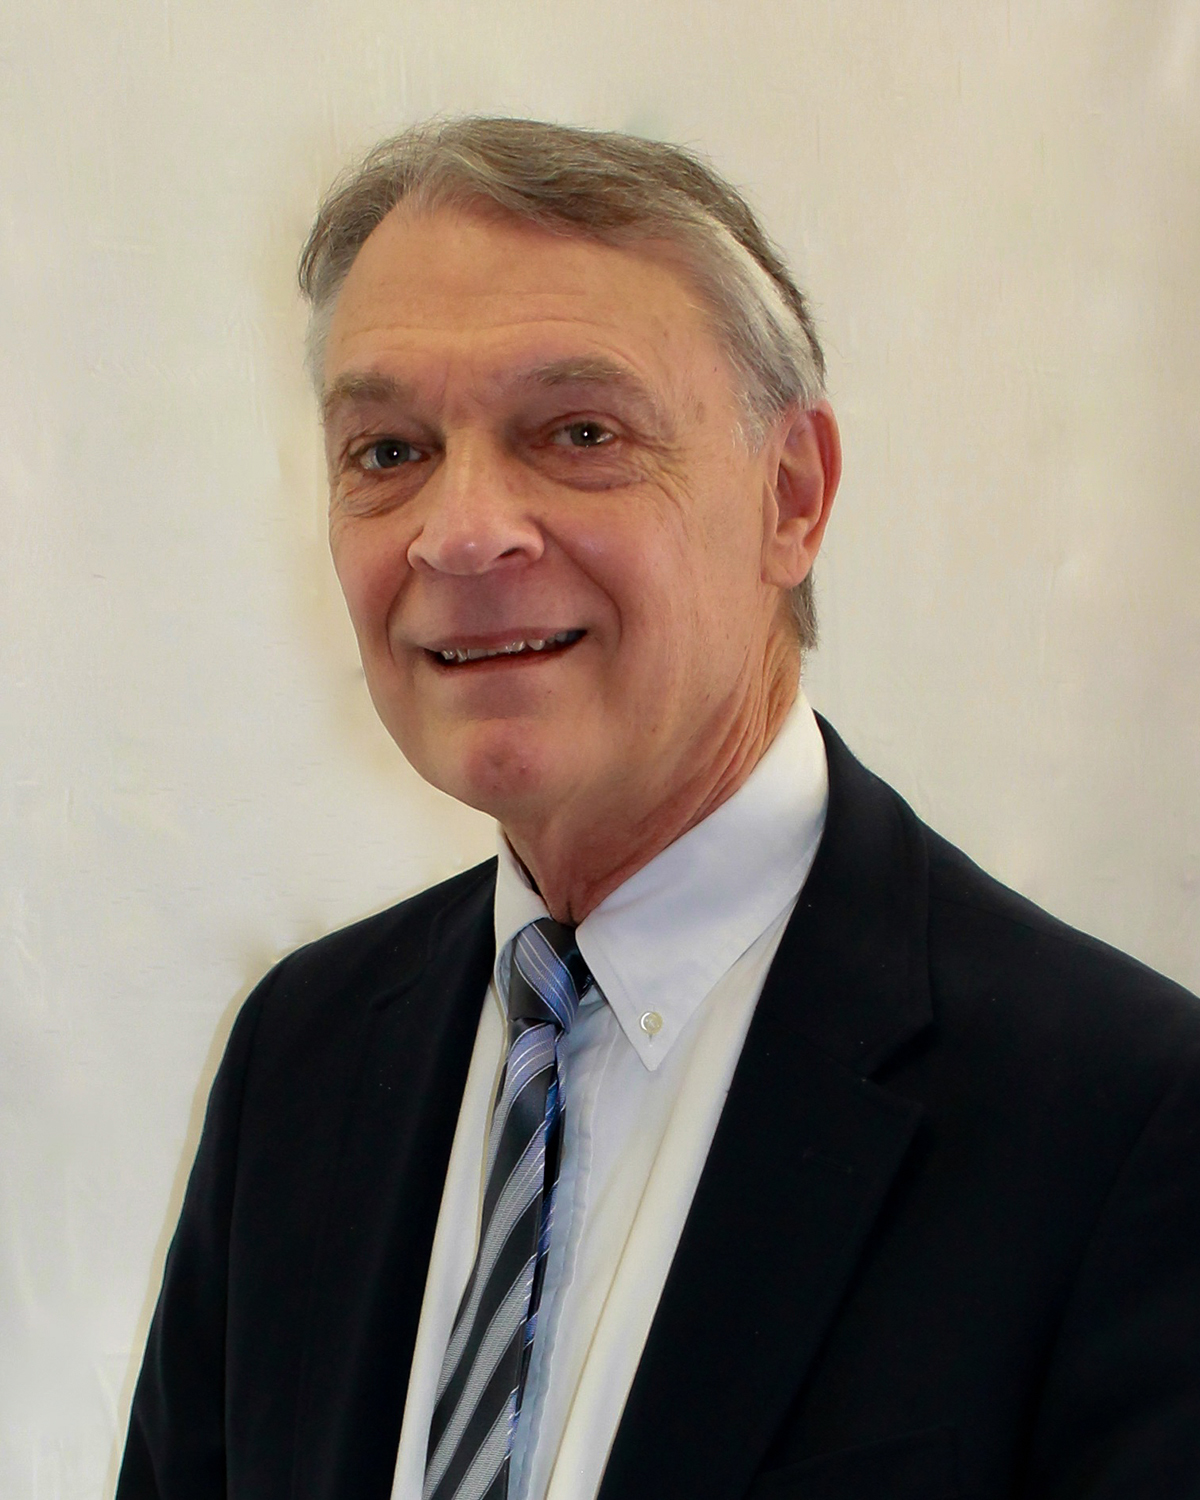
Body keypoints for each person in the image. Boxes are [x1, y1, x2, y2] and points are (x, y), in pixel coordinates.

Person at [117, 118, 1200, 1500]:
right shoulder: (302, 1056)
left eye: (579, 432)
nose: (462, 531)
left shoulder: (1126, 1120)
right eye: (388, 451)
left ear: (792, 497)